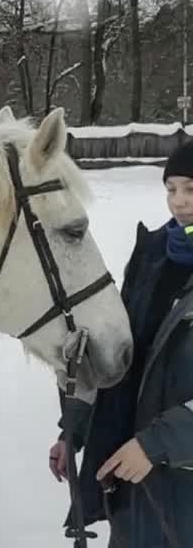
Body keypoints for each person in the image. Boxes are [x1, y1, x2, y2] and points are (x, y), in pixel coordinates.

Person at [49, 140, 193, 547]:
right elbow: (120, 355)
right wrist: (74, 429)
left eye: (191, 189)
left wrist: (155, 445)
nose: (179, 202)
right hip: (132, 480)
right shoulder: (153, 256)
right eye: (171, 188)